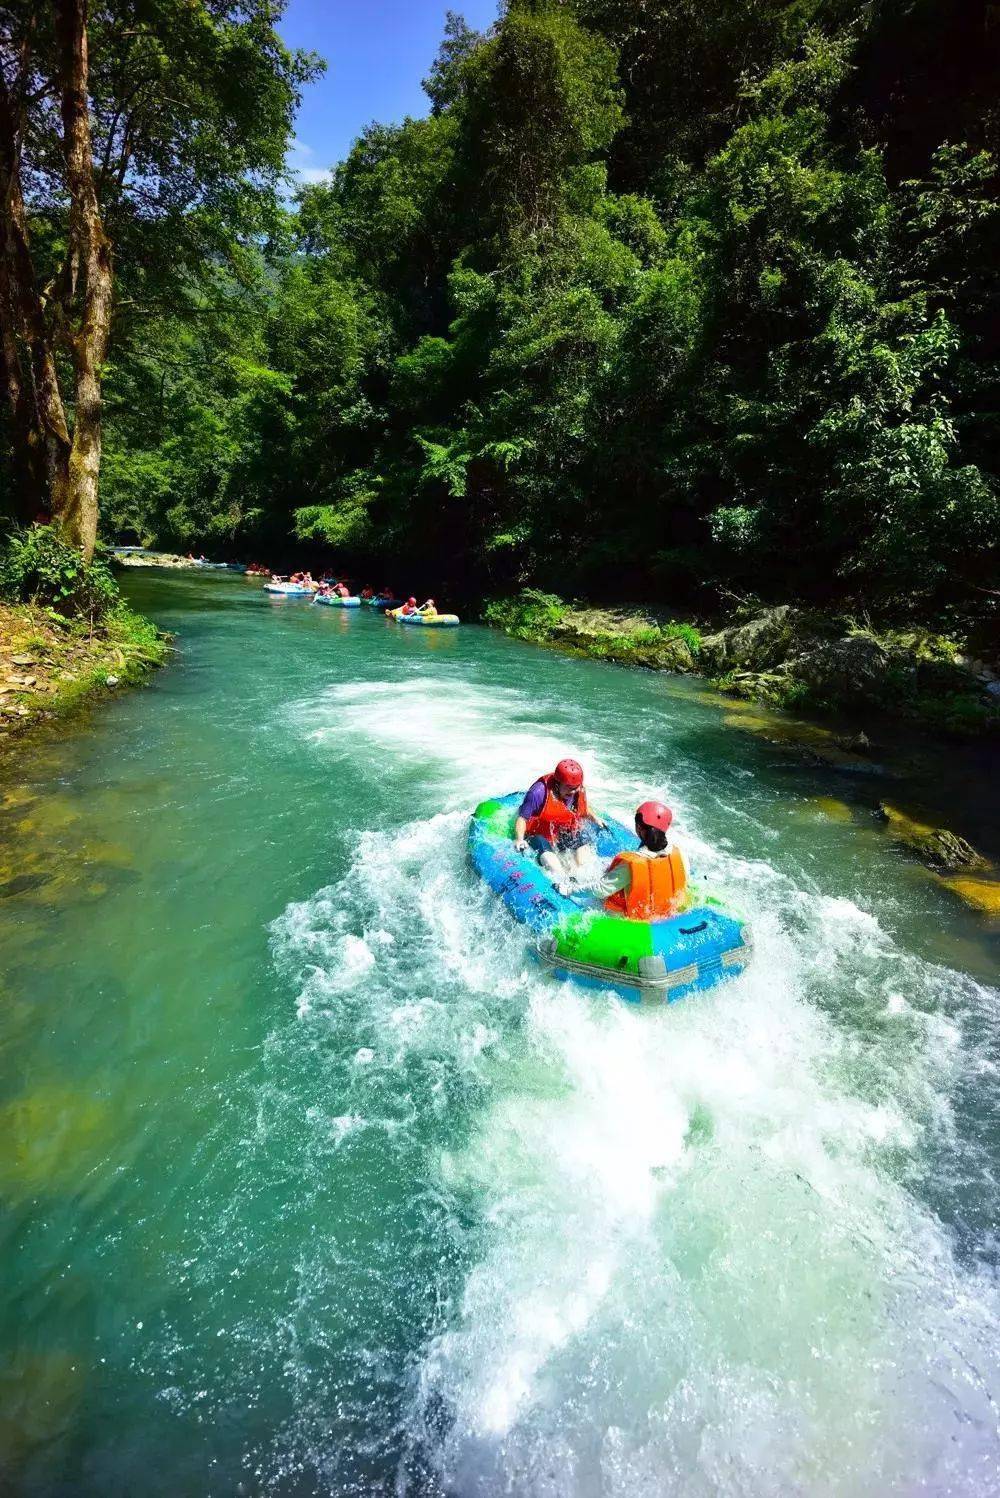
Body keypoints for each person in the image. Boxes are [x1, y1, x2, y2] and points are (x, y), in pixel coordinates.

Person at [514, 758, 604, 883]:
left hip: (561, 831)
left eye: (575, 787)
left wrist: (594, 817)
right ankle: (563, 880)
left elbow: (581, 807)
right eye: (568, 787)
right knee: (544, 849)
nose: (572, 791)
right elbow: (522, 818)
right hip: (538, 834)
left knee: (579, 839)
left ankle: (583, 877)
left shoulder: (576, 790)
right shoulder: (538, 792)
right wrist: (519, 839)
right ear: (557, 783)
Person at [594, 801, 688, 919]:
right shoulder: (680, 854)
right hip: (671, 916)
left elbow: (599, 890)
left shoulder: (630, 864)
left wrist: (570, 889)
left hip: (635, 924)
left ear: (638, 827)